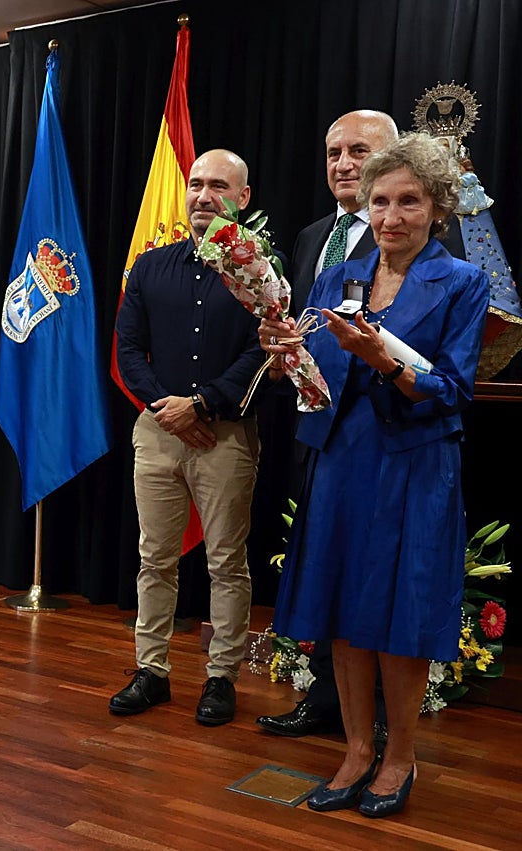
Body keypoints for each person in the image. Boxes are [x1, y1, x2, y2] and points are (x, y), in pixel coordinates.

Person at [260, 133, 489, 817]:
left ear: (437, 208)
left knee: (398, 616)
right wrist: (285, 359)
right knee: (342, 611)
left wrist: (383, 358)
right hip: (341, 458)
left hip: (414, 465)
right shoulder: (337, 277)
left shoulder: (463, 281)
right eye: (381, 201)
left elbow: (451, 389)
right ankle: (357, 748)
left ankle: (400, 757)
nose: (392, 216)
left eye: (409, 202)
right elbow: (318, 374)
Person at [111, 150, 264, 726]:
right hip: (157, 434)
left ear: (242, 198)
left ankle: (221, 677)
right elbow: (128, 350)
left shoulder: (259, 272)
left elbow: (260, 353)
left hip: (226, 436)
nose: (203, 196)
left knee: (227, 561)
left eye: (218, 186)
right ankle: (151, 672)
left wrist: (202, 403)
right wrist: (167, 407)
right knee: (155, 558)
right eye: (195, 184)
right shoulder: (150, 268)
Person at [260, 109, 400, 739]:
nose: (343, 164)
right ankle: (325, 699)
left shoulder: (416, 233)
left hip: (384, 431)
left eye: (358, 151)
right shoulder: (314, 233)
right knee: (323, 565)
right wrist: (281, 340)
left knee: (372, 571)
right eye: (333, 153)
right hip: (316, 427)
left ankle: (378, 717)